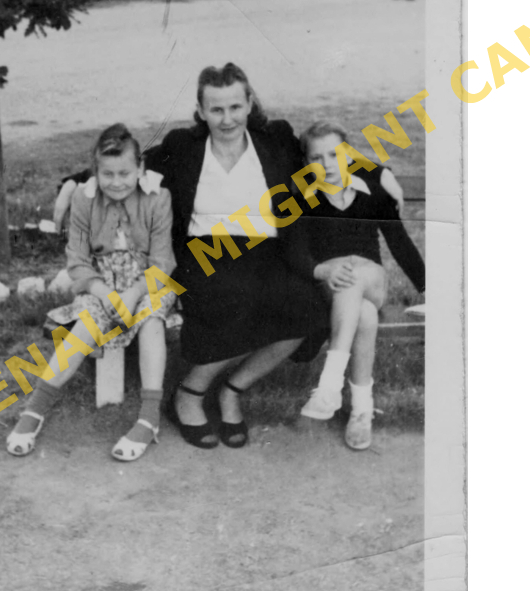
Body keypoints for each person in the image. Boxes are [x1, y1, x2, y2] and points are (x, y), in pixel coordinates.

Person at [144, 63, 328, 450]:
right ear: (201, 110)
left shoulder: (276, 139)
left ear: (249, 103)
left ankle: (232, 389)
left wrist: (379, 174)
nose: (227, 119)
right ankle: (189, 394)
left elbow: (327, 159)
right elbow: (132, 164)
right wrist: (74, 185)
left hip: (267, 251)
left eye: (235, 107)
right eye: (216, 109)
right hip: (205, 254)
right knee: (232, 296)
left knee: (308, 305)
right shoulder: (183, 146)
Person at [6, 124, 177, 462]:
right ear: (95, 172)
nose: (117, 182)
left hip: (147, 283)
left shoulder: (158, 197)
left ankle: (149, 418)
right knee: (85, 325)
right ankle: (35, 408)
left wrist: (133, 294)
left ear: (140, 168)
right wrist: (105, 293)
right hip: (100, 283)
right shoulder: (84, 200)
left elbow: (162, 263)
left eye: (125, 173)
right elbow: (79, 262)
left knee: (152, 320)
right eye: (107, 174)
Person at [288, 121, 426, 450]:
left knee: (356, 276)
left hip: (373, 280)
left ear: (349, 155)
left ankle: (330, 385)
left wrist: (428, 290)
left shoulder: (372, 192)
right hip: (331, 286)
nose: (327, 164)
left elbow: (401, 244)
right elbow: (294, 252)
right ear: (306, 163)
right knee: (363, 313)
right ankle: (361, 409)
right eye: (316, 158)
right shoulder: (302, 200)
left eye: (335, 155)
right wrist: (323, 270)